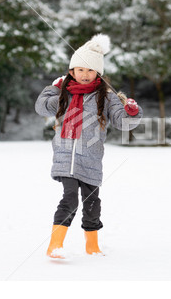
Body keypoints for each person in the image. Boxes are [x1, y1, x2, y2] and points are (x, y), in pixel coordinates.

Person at [35, 34, 143, 259]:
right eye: (80, 70)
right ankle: (54, 244)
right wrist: (52, 89)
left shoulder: (106, 96)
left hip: (92, 159)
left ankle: (92, 246)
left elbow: (123, 122)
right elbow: (42, 108)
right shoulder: (63, 94)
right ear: (71, 71)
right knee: (70, 199)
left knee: (92, 202)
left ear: (98, 73)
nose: (85, 75)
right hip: (65, 159)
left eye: (90, 70)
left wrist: (132, 112)